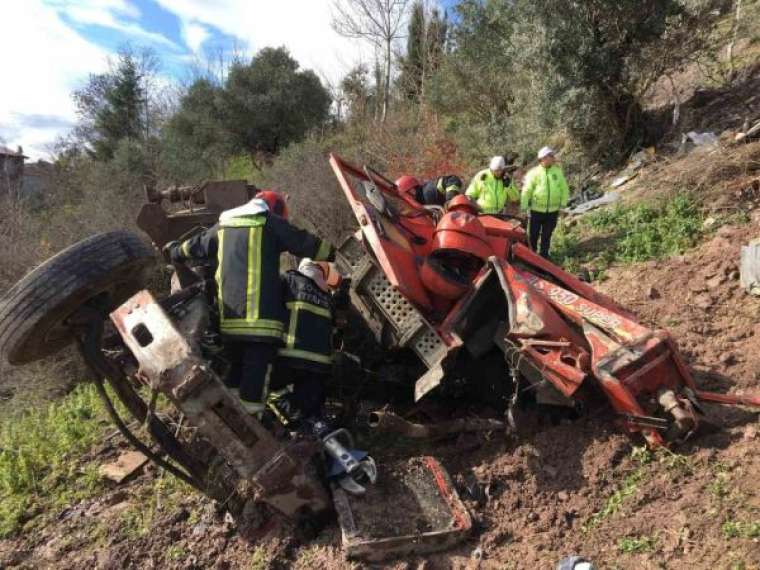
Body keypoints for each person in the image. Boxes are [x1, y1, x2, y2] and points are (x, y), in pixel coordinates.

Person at [164, 191, 334, 414]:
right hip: (261, 321)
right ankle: (254, 422)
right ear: (274, 209)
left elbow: (194, 247)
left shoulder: (223, 227)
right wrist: (330, 252)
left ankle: (232, 415)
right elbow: (304, 243)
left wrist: (174, 250)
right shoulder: (270, 223)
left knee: (236, 371)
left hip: (230, 319)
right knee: (256, 375)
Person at [267, 258, 345, 425]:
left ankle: (294, 425)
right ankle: (317, 432)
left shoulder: (288, 280)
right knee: (309, 408)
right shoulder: (327, 298)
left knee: (268, 388)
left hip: (290, 356)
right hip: (320, 364)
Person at [520, 146, 570, 259]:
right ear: (542, 158)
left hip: (553, 212)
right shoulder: (534, 173)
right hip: (536, 211)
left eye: (552, 155)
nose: (552, 158)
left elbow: (564, 189)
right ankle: (531, 258)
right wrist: (524, 208)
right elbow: (526, 191)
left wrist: (562, 206)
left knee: (547, 236)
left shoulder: (557, 171)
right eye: (550, 156)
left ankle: (544, 257)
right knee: (533, 236)